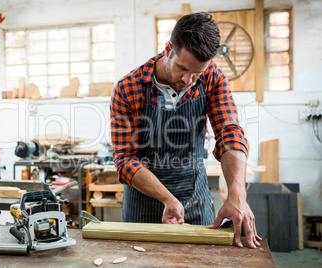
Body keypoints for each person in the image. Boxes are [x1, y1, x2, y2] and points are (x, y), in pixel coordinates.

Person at [110, 12, 261, 248]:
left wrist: (237, 193)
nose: (188, 79)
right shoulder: (128, 88)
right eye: (182, 68)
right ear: (168, 49)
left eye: (197, 73)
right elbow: (125, 160)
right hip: (143, 205)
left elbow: (229, 133)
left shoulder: (213, 78)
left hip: (195, 201)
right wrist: (167, 198)